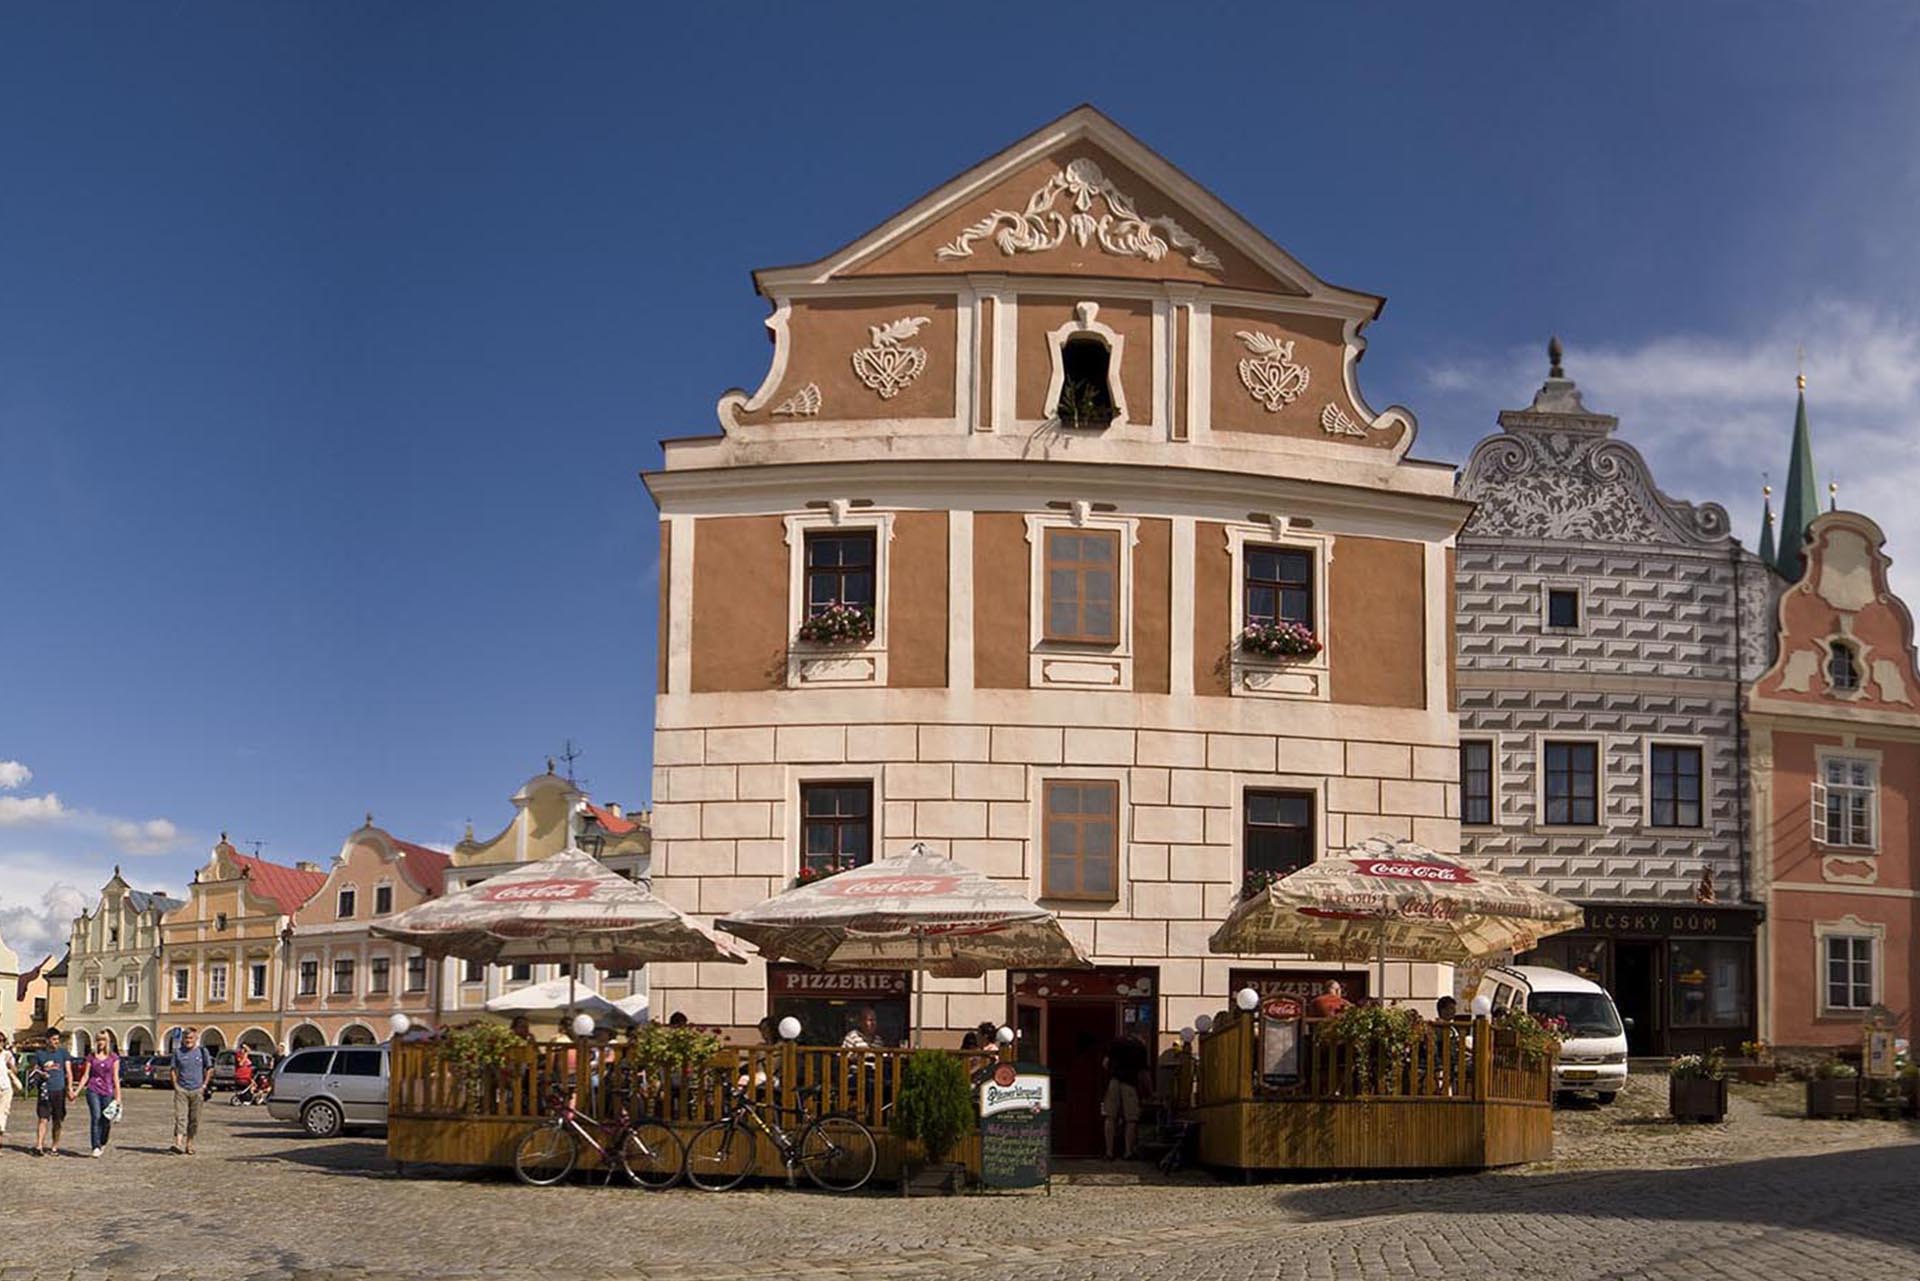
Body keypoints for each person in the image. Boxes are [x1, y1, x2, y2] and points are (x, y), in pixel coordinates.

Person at [1101, 1033, 1151, 1160]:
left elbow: (1105, 1063)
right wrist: (1149, 1091)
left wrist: (1112, 1073)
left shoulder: (1116, 1042)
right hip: (1129, 1084)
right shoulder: (1140, 1048)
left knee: (1110, 1117)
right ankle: (1128, 1152)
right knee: (1131, 1119)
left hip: (1114, 1082)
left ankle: (1109, 1152)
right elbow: (1143, 1073)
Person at [31, 1031, 79, 1157]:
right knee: (43, 1118)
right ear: (47, 1040)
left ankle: (54, 1146)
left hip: (59, 1090)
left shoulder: (63, 1053)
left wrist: (70, 1089)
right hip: (45, 1090)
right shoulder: (40, 1054)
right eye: (53, 1039)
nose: (56, 1042)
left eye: (57, 1039)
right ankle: (39, 1146)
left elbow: (68, 1072)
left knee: (57, 1120)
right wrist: (40, 1073)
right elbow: (34, 1070)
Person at [170, 1027, 214, 1154]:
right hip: (182, 1090)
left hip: (197, 1090)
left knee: (194, 1119)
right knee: (180, 1117)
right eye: (186, 1038)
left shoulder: (202, 1051)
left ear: (196, 1039)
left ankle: (189, 1144)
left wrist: (204, 1085)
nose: (188, 1040)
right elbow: (173, 1069)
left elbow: (210, 1069)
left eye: (190, 1038)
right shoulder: (178, 1052)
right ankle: (178, 1144)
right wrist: (175, 1085)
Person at [82, 1032, 121, 1158]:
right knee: (96, 1117)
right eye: (98, 1040)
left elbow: (115, 1077)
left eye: (103, 1040)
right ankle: (95, 1146)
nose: (100, 1042)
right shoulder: (91, 1056)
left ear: (107, 1041)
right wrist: (76, 1091)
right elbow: (86, 1075)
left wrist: (118, 1097)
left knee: (106, 1119)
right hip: (93, 1089)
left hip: (107, 1091)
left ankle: (103, 1141)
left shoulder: (113, 1057)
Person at [0, 1031, 18, 1154]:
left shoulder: (7, 1054)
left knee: (2, 1117)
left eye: (2, 1041)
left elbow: (15, 1070)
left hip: (5, 1088)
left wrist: (10, 1065)